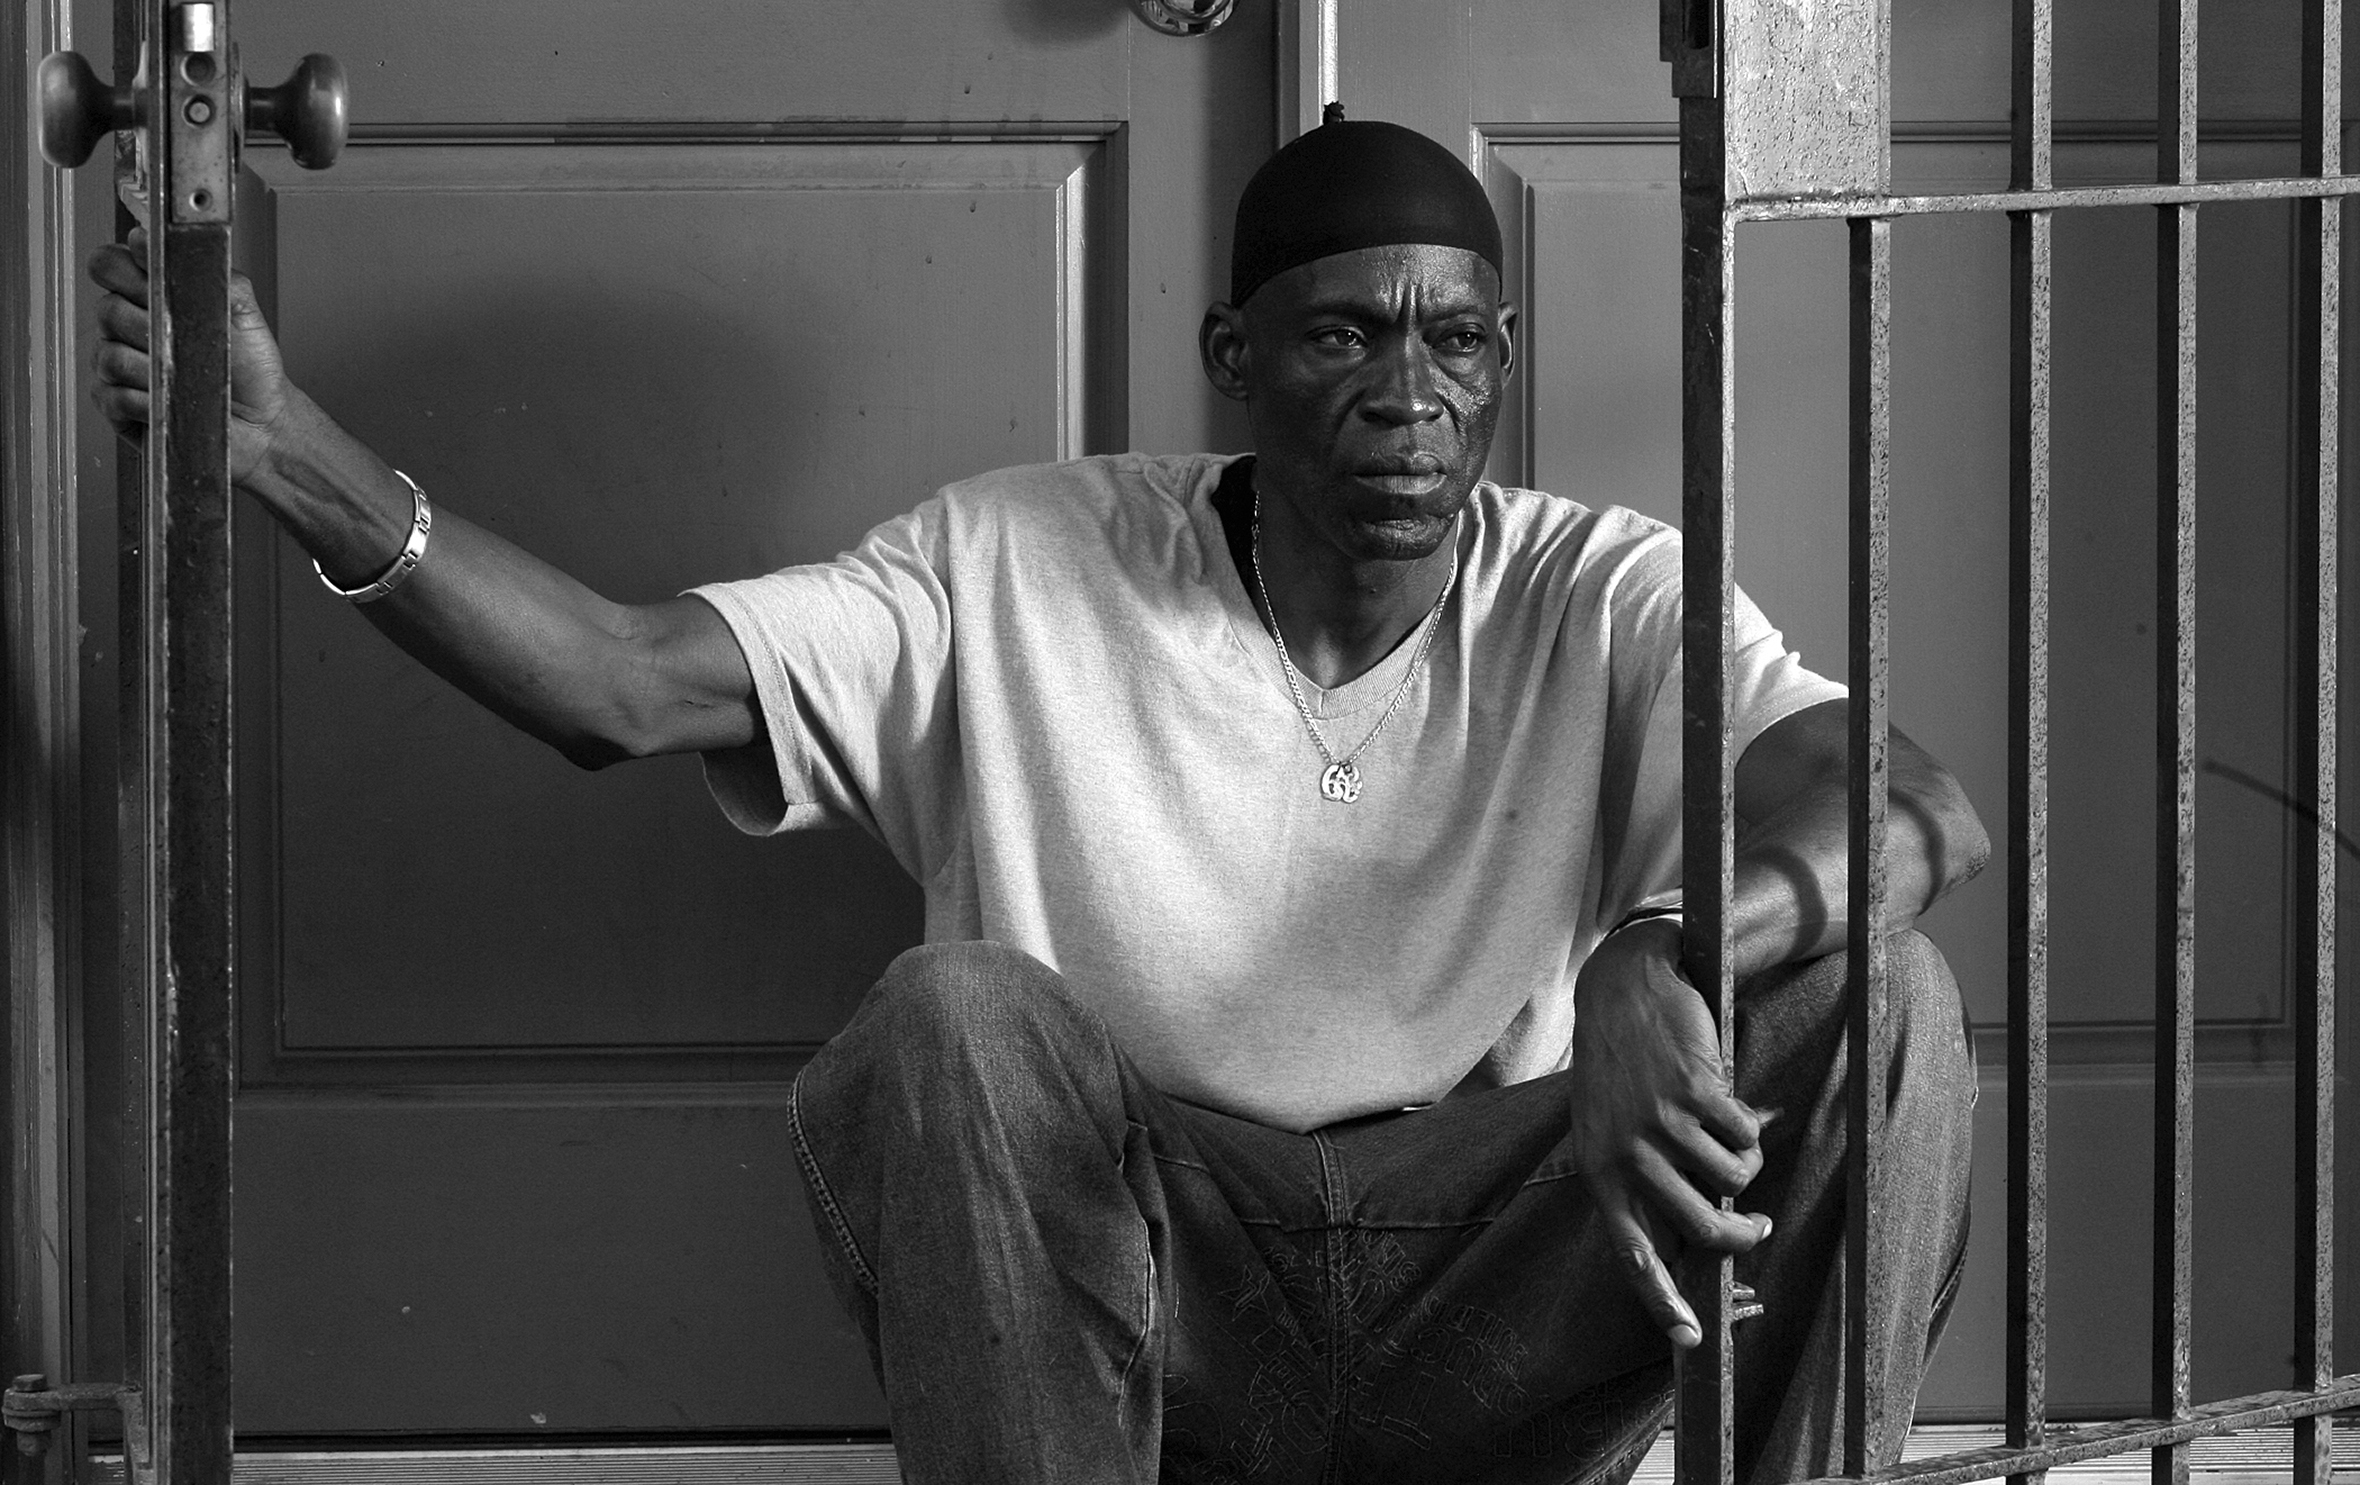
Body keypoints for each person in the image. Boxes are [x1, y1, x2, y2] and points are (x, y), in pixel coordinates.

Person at [90, 114, 1985, 1485]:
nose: (1411, 393)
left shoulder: (1596, 582)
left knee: (1885, 995)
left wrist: (1661, 947)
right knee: (954, 1015)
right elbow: (619, 683)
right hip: (1156, 1285)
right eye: (1343, 336)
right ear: (1233, 363)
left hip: (1494, 1266)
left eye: (1456, 337)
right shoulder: (1017, 561)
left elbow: (1913, 805)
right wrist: (284, 449)